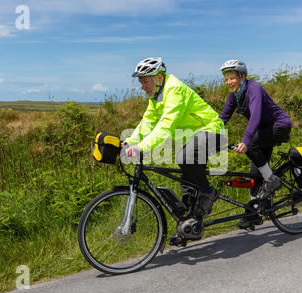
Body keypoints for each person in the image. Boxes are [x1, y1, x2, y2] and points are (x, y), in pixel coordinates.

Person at [123, 57, 227, 239]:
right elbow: (147, 122)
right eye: (141, 82)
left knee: (185, 159)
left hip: (212, 130)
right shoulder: (156, 96)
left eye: (145, 81)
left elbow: (166, 124)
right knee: (187, 187)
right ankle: (190, 226)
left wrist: (142, 146)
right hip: (191, 138)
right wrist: (129, 141)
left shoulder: (174, 89)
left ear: (159, 78)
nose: (143, 87)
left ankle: (209, 193)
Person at [218, 59, 292, 229]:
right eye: (226, 79)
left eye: (232, 78)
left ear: (242, 76)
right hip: (263, 131)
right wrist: (208, 133)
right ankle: (254, 214)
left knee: (251, 147)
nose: (229, 82)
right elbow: (223, 117)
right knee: (254, 173)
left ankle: (272, 180)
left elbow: (256, 116)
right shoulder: (234, 95)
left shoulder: (254, 88)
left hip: (279, 126)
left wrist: (245, 140)